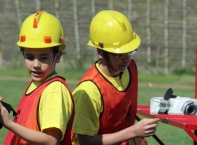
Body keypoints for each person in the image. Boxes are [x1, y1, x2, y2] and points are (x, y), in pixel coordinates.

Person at [71, 10, 160, 145]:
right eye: (119, 55)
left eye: (130, 52)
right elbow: (85, 141)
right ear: (100, 52)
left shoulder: (131, 68)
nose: (126, 59)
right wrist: (134, 131)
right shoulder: (88, 91)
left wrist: (135, 136)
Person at [0, 11, 74, 145]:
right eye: (29, 57)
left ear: (57, 57)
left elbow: (51, 140)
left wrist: (8, 123)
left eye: (43, 58)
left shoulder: (54, 90)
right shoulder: (37, 83)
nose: (36, 65)